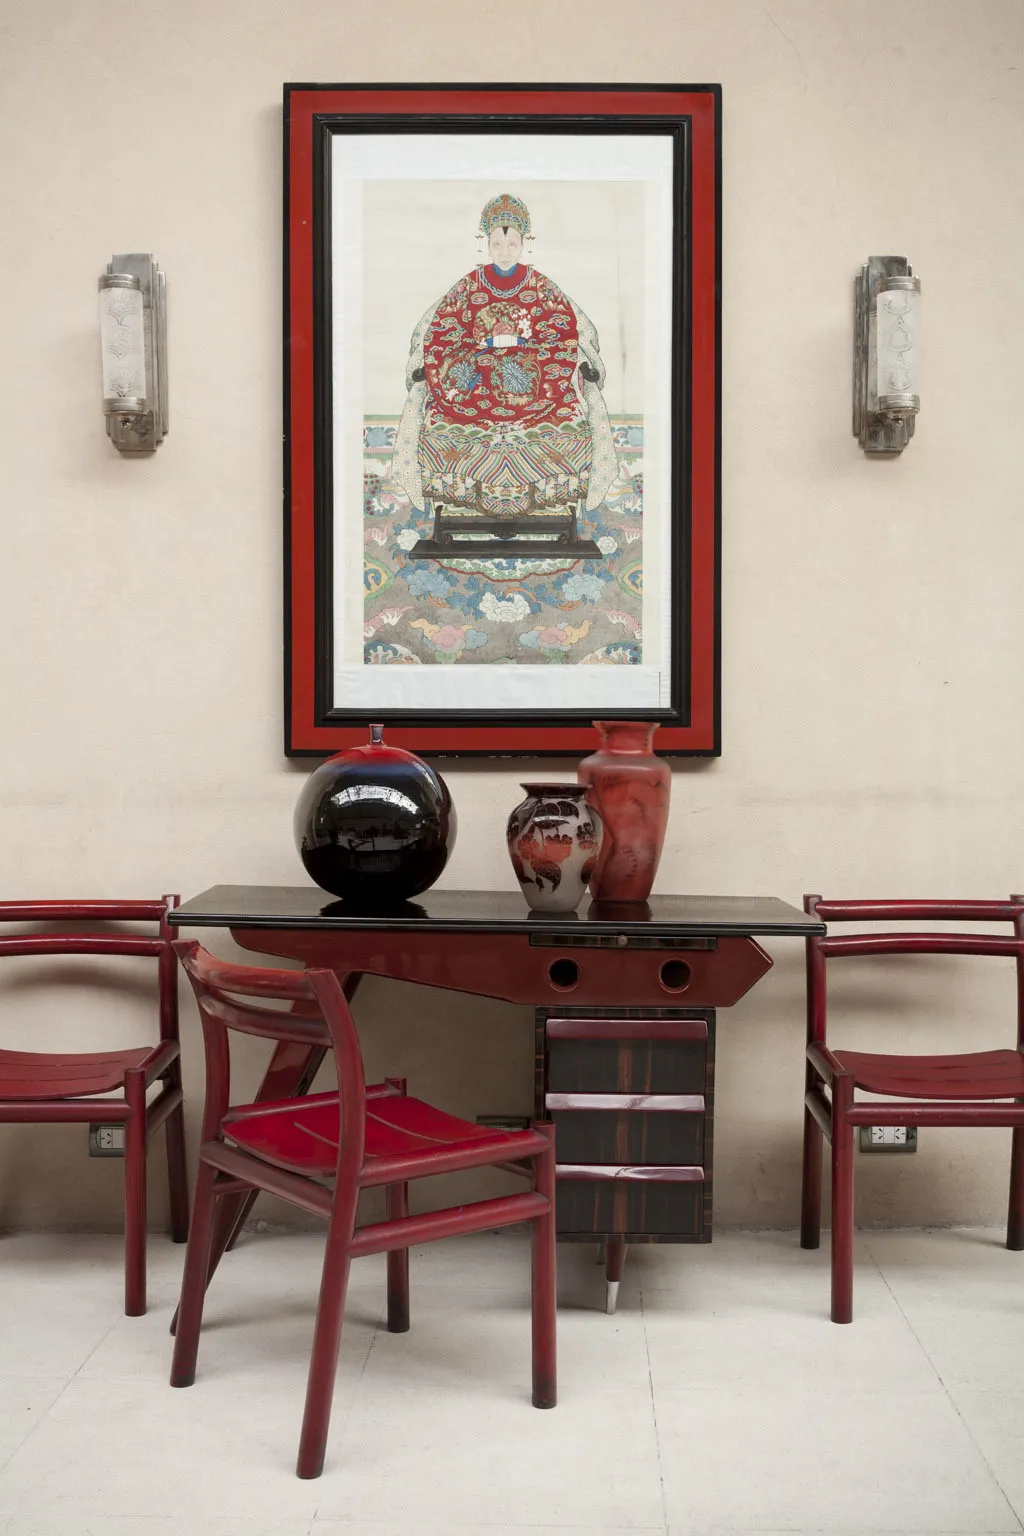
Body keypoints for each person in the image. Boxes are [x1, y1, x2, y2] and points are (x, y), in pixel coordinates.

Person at [391, 193, 617, 527]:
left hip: (531, 379)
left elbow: (561, 334)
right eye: (498, 244)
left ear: (524, 244)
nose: (505, 252)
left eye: (512, 245)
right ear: (486, 244)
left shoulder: (542, 288)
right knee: (462, 376)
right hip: (478, 375)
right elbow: (445, 330)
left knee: (525, 378)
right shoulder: (468, 287)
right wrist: (482, 350)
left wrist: (522, 349)